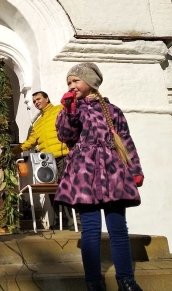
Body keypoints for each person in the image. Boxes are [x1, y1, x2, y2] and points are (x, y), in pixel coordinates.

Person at [55, 62, 144, 291]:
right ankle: (93, 281)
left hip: (114, 172)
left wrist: (135, 170)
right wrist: (69, 110)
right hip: (84, 174)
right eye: (69, 82)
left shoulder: (113, 110)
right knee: (91, 229)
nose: (72, 85)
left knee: (118, 229)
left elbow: (125, 140)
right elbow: (65, 135)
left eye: (76, 80)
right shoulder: (70, 109)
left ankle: (126, 279)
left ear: (91, 82)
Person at [11, 91, 73, 229]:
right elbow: (30, 142)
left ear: (47, 98)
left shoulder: (59, 110)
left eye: (38, 99)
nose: (36, 102)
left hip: (65, 155)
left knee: (67, 187)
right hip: (48, 160)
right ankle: (60, 221)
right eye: (34, 101)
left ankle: (74, 221)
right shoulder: (37, 123)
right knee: (51, 190)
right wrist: (13, 151)